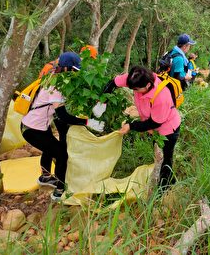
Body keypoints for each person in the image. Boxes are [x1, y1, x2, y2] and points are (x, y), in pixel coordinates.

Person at [21, 52, 106, 201]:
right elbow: (63, 115)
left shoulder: (53, 76)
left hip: (35, 124)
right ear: (66, 69)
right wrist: (88, 122)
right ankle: (59, 191)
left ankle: (45, 177)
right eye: (74, 70)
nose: (75, 73)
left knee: (49, 147)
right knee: (61, 154)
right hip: (32, 130)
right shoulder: (56, 85)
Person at [104, 66, 181, 192]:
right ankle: (166, 179)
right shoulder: (136, 78)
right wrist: (103, 102)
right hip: (153, 125)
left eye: (136, 89)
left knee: (165, 158)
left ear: (148, 85)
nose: (134, 91)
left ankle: (165, 189)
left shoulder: (162, 96)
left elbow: (154, 123)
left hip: (168, 129)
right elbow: (113, 83)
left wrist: (131, 126)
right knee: (157, 154)